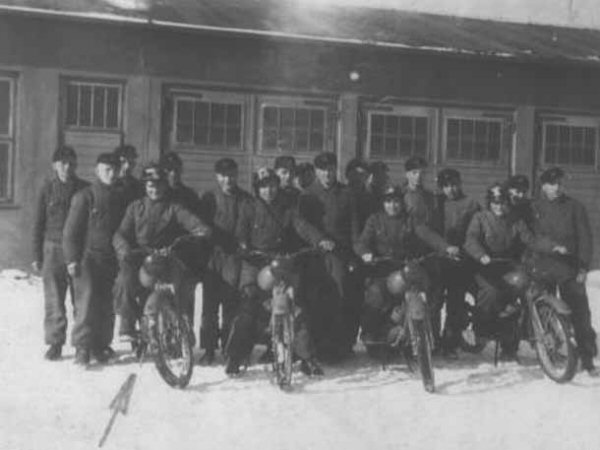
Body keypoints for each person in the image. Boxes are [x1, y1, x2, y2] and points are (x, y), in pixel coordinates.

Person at [224, 168, 334, 375]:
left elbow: (302, 226)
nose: (269, 190)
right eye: (264, 186)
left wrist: (319, 239)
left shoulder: (287, 209)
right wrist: (242, 246)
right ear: (258, 189)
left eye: (273, 185)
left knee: (297, 307)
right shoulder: (249, 207)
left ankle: (307, 358)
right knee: (248, 305)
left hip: (281, 262)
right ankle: (235, 356)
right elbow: (240, 233)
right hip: (255, 262)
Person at [112, 163, 211, 347]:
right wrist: (124, 248)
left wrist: (200, 230)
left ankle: (183, 333)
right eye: (150, 185)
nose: (154, 189)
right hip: (143, 257)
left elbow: (191, 221)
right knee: (124, 280)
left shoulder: (173, 208)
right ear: (145, 186)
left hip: (168, 257)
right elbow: (121, 233)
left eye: (158, 185)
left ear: (165, 186)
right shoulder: (135, 207)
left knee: (182, 287)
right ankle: (128, 325)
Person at [355, 185, 456, 355]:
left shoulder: (410, 220)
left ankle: (425, 336)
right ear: (383, 204)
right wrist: (366, 254)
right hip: (382, 269)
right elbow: (361, 242)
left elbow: (427, 234)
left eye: (395, 202)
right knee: (376, 293)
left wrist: (446, 247)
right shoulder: (375, 220)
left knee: (428, 293)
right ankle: (371, 333)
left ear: (401, 203)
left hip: (406, 268)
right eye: (388, 202)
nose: (392, 206)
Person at [464, 183, 556, 361]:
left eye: (502, 202)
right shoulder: (480, 217)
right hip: (485, 267)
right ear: (490, 202)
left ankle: (510, 345)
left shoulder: (515, 219)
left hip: (508, 266)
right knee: (491, 293)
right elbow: (471, 240)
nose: (499, 206)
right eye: (495, 202)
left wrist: (551, 247)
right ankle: (482, 330)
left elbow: (529, 238)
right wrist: (481, 255)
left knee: (517, 295)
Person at [530, 167, 598, 375]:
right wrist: (547, 249)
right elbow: (531, 237)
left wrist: (583, 266)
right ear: (543, 186)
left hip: (569, 268)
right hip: (543, 266)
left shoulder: (575, 207)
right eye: (552, 184)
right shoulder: (534, 207)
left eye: (560, 183)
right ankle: (550, 351)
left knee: (580, 313)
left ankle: (587, 359)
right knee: (544, 310)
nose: (557, 187)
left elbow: (585, 238)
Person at [63, 153, 126, 365]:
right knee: (87, 302)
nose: (111, 174)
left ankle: (101, 345)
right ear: (97, 171)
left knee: (107, 303)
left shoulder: (120, 197)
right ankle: (82, 347)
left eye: (114, 169)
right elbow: (71, 232)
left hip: (111, 258)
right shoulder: (85, 196)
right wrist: (72, 259)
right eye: (106, 169)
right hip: (87, 258)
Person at [298, 151, 361, 358]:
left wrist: (354, 256)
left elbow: (354, 228)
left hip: (339, 254)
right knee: (314, 298)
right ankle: (314, 344)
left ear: (336, 170)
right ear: (316, 172)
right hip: (313, 255)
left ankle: (338, 346)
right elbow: (301, 226)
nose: (327, 174)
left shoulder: (347, 194)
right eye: (323, 170)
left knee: (339, 296)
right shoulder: (307, 195)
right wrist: (316, 241)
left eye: (331, 170)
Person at [32, 146, 89, 361]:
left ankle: (82, 344)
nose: (68, 168)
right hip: (53, 249)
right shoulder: (46, 188)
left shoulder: (84, 189)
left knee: (81, 298)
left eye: (72, 164)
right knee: (54, 299)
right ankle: (55, 343)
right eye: (63, 163)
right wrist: (37, 255)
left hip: (77, 249)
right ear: (55, 165)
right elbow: (38, 224)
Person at [198, 158, 253, 364]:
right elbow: (201, 226)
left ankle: (231, 349)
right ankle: (209, 349)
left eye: (231, 175)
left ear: (237, 175)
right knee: (209, 307)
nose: (228, 179)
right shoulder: (209, 198)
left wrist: (243, 243)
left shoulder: (246, 199)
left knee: (231, 304)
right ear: (217, 176)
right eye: (223, 175)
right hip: (213, 257)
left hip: (235, 257)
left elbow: (249, 226)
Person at [430, 168, 480, 357]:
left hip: (460, 260)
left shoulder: (471, 204)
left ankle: (450, 343)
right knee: (434, 302)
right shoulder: (436, 203)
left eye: (453, 185)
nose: (450, 189)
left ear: (460, 184)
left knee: (455, 303)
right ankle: (432, 342)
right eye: (446, 186)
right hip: (438, 259)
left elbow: (476, 232)